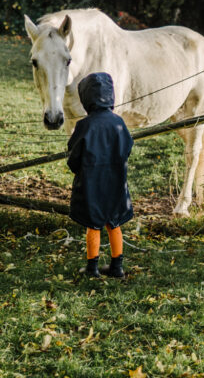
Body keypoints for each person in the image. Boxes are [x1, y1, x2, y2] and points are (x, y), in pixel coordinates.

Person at [67, 72, 134, 279]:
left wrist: (76, 168)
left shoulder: (84, 126)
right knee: (114, 224)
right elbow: (127, 147)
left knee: (93, 225)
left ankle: (92, 268)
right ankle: (117, 267)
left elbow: (73, 154)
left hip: (91, 184)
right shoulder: (119, 123)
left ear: (86, 97)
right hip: (116, 182)